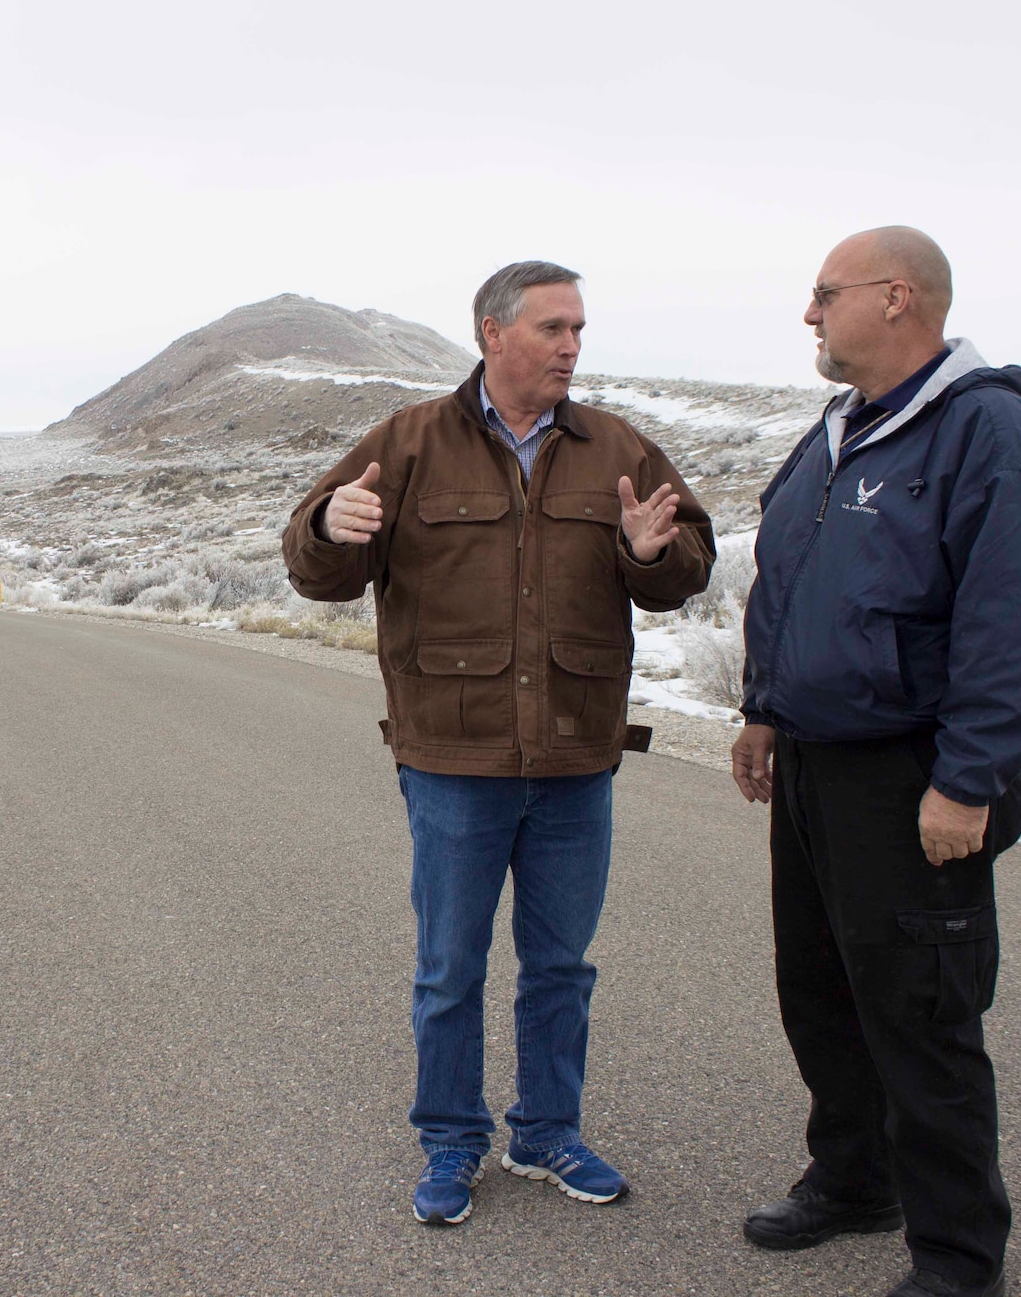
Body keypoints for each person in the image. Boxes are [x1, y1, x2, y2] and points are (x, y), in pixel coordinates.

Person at [282, 261, 715, 1225]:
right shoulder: (408, 441)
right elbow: (315, 566)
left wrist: (653, 551)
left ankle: (548, 1130)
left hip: (575, 757)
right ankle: (449, 1137)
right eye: (553, 328)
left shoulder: (617, 445)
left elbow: (687, 562)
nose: (571, 346)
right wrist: (327, 525)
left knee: (561, 964)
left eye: (578, 330)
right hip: (452, 759)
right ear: (492, 332)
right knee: (450, 965)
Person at [731, 227, 1021, 1297]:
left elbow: (1020, 622)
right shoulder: (839, 430)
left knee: (920, 1015)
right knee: (822, 988)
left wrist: (967, 775)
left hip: (912, 773)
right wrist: (763, 710)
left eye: (821, 293)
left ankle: (958, 1258)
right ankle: (852, 1179)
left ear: (895, 298)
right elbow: (787, 581)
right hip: (813, 766)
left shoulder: (985, 431)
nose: (806, 314)